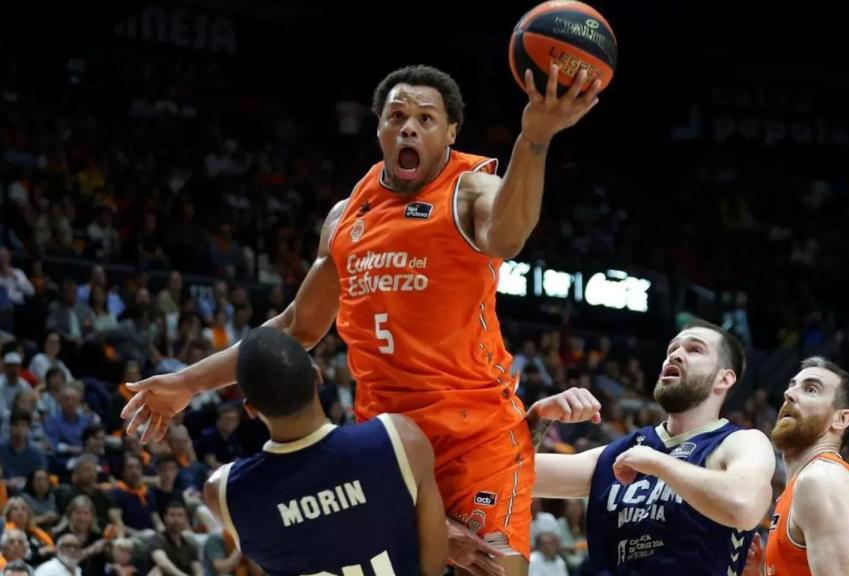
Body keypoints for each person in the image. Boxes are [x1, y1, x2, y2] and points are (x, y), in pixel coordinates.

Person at [124, 62, 602, 574]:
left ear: (451, 132)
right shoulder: (347, 216)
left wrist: (535, 138)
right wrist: (186, 383)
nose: (409, 127)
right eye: (397, 116)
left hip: (476, 437)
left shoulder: (471, 191)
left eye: (425, 118)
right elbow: (296, 328)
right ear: (379, 129)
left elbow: (507, 237)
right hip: (384, 445)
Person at [532, 320, 776, 575]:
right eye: (672, 349)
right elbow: (514, 477)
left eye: (695, 349)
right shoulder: (622, 453)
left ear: (724, 378)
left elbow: (743, 505)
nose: (676, 354)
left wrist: (657, 463)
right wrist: (538, 419)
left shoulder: (741, 442)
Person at [202, 326, 448, 576]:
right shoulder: (400, 438)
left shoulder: (224, 493)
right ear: (317, 376)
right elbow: (434, 566)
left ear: (251, 409)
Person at [763, 357, 849, 575]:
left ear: (841, 419)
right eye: (792, 385)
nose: (789, 394)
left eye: (811, 389)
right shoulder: (817, 480)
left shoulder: (822, 479)